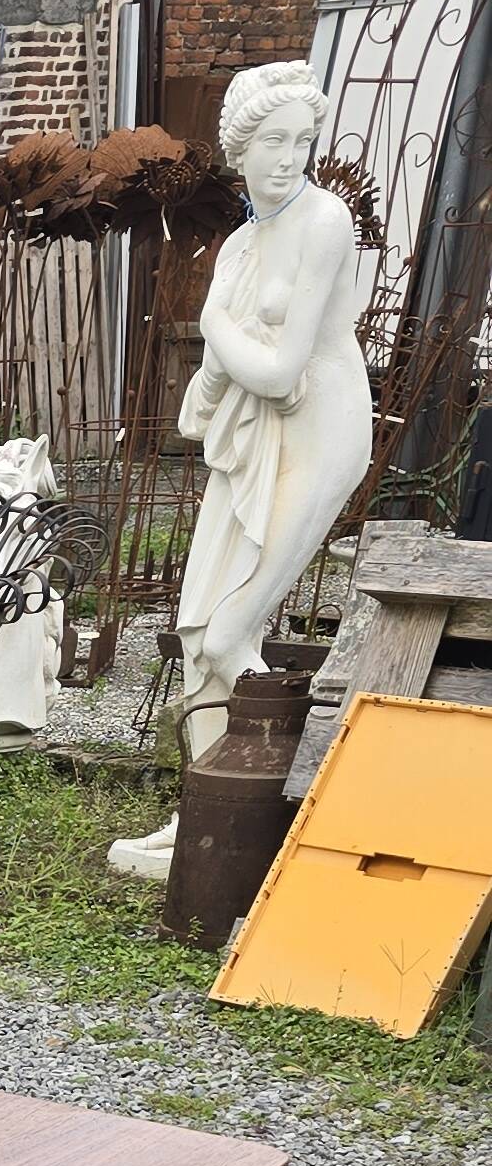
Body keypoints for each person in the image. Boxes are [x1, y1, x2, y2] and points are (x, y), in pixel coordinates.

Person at [108, 60, 373, 885]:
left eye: (304, 140)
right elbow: (201, 404)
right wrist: (220, 342)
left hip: (319, 430)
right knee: (199, 631)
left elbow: (282, 368)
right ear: (241, 150)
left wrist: (212, 323)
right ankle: (203, 813)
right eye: (273, 141)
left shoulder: (323, 222)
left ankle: (291, 816)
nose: (291, 157)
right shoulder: (241, 245)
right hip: (252, 441)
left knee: (234, 632)